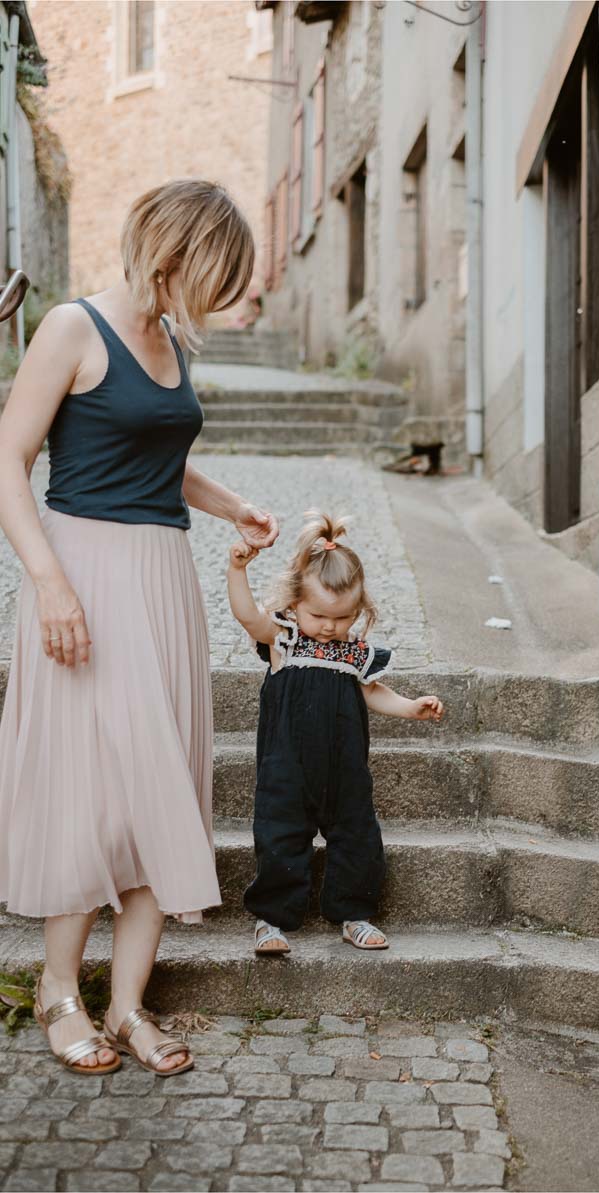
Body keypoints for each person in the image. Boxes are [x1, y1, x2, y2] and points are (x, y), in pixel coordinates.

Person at [0, 180, 277, 1075]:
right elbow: (8, 455)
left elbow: (164, 452)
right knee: (89, 790)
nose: (221, 300)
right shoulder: (73, 328)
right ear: (176, 253)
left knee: (164, 788)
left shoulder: (172, 340)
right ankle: (56, 989)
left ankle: (124, 1004)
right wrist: (48, 582)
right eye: (217, 278)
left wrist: (232, 504)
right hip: (83, 570)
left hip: (163, 578)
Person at [227, 510, 444, 956]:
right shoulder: (284, 638)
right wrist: (237, 570)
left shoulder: (351, 652)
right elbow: (249, 617)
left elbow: (374, 692)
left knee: (357, 835)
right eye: (319, 615)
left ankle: (354, 914)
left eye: (343, 618)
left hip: (344, 765)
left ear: (358, 612)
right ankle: (272, 919)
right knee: (280, 836)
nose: (330, 627)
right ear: (294, 605)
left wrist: (411, 708)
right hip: (285, 766)